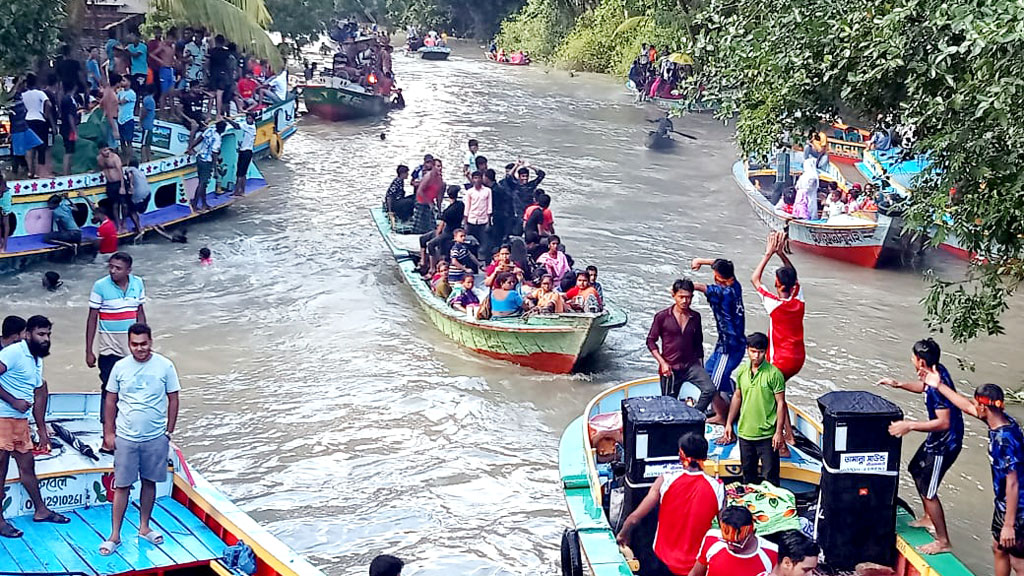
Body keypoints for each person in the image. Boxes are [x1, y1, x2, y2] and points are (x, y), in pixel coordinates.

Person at [927, 380, 1024, 575]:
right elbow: (966, 406)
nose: (974, 407)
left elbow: (1013, 483)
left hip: (1017, 508)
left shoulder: (1004, 440)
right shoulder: (1002, 421)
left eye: (976, 404)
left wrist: (1008, 525)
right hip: (1003, 504)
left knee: (1018, 559)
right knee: (998, 548)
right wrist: (939, 385)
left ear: (983, 407)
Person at [878, 338, 964, 554]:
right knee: (915, 468)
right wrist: (898, 384)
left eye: (913, 357)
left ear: (921, 361)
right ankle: (928, 518)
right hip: (937, 439)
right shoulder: (933, 372)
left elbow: (944, 422)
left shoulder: (938, 386)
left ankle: (943, 540)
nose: (911, 359)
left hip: (945, 443)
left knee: (929, 489)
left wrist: (910, 425)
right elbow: (922, 388)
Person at [99, 323, 179, 556]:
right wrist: (109, 433)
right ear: (129, 344)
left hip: (156, 437)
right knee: (122, 486)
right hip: (125, 437)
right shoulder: (120, 367)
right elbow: (110, 400)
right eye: (135, 344)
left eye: (144, 343)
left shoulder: (165, 366)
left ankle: (144, 528)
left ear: (151, 342)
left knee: (149, 482)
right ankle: (115, 536)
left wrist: (169, 431)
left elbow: (173, 399)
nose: (140, 348)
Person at [0, 315, 71, 538]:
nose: (46, 339)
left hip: (20, 422)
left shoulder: (37, 358)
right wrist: (13, 401)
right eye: (41, 334)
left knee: (27, 466)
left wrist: (42, 429)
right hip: (2, 419)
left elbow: (40, 390)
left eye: (48, 334)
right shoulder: (13, 352)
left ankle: (41, 510)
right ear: (27, 334)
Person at [617, 434, 724, 576]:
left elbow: (634, 518)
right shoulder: (718, 488)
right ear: (705, 457)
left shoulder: (666, 479)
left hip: (660, 562)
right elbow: (726, 530)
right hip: (696, 568)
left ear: (681, 454)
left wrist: (623, 535)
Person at [751, 232, 804, 455]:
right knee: (781, 394)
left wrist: (768, 253)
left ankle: (782, 442)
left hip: (780, 360)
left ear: (777, 283)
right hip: (798, 358)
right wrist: (782, 254)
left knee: (775, 401)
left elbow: (755, 279)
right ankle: (790, 436)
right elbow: (795, 275)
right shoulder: (799, 298)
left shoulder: (773, 303)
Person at [86, 252, 147, 421]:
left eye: (118, 268)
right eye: (111, 267)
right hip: (109, 350)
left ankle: (129, 423)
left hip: (132, 349)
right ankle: (107, 429)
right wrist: (89, 351)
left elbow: (140, 312)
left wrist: (146, 343)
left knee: (133, 388)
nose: (113, 271)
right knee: (109, 388)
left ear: (128, 270)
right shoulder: (100, 286)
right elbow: (92, 318)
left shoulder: (138, 283)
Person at [720, 332, 786, 486]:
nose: (757, 356)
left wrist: (778, 432)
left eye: (761, 352)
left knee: (771, 478)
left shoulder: (774, 374)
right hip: (745, 434)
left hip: (767, 436)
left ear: (765, 352)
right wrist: (729, 423)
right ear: (747, 350)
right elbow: (737, 396)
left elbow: (781, 404)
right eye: (753, 351)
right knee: (748, 477)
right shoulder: (742, 371)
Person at [691, 257, 746, 424]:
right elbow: (722, 262)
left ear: (724, 280)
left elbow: (702, 288)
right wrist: (701, 261)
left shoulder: (726, 293)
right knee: (707, 372)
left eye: (716, 278)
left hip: (730, 348)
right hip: (723, 344)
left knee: (711, 386)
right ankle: (732, 397)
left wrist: (686, 287)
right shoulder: (736, 285)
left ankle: (722, 417)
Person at [647, 279, 717, 410]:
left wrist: (701, 366)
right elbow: (651, 341)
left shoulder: (695, 317)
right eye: (681, 297)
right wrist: (662, 363)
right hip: (670, 368)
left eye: (688, 297)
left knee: (709, 389)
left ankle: (695, 414)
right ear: (673, 295)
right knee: (669, 403)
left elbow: (698, 343)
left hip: (691, 366)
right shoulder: (662, 317)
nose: (685, 301)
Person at [690, 506, 778, 576]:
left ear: (753, 533)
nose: (731, 546)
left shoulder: (773, 554)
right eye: (726, 541)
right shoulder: (712, 538)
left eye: (738, 543)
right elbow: (695, 573)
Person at [187, 119, 230, 212]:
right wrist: (215, 170)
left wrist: (190, 147)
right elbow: (214, 155)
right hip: (207, 161)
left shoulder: (210, 129)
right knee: (202, 183)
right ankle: (195, 204)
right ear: (222, 130)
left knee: (203, 183)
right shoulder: (218, 139)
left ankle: (204, 203)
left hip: (200, 157)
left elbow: (200, 138)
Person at [421, 186, 463, 273]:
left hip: (448, 232)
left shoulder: (448, 211)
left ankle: (431, 268)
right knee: (424, 238)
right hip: (453, 230)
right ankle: (424, 262)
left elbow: (441, 226)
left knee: (430, 244)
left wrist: (437, 235)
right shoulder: (461, 205)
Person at [23, 74, 54, 178]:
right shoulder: (40, 93)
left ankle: (30, 171)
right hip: (39, 120)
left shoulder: (24, 95)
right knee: (41, 147)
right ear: (36, 82)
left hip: (28, 120)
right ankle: (39, 172)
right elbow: (48, 104)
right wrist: (45, 114)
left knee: (30, 147)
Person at [97, 146, 131, 232]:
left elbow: (120, 172)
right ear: (100, 151)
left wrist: (122, 187)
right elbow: (101, 168)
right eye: (105, 150)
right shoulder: (99, 158)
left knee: (124, 205)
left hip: (119, 182)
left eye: (108, 150)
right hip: (110, 184)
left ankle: (124, 223)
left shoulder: (115, 157)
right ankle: (118, 224)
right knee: (114, 205)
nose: (107, 152)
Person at [463, 171, 493, 261]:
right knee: (470, 243)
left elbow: (489, 207)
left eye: (478, 178)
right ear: (472, 179)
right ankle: (473, 262)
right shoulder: (469, 192)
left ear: (481, 179)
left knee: (485, 244)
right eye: (475, 178)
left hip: (483, 221)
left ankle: (484, 262)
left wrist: (488, 222)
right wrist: (465, 223)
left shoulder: (488, 191)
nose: (477, 180)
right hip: (472, 220)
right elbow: (467, 208)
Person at [234, 112, 257, 197]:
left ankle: (237, 191)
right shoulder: (248, 125)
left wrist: (227, 119)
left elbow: (236, 125)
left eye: (250, 118)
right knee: (242, 173)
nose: (248, 120)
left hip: (246, 152)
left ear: (253, 119)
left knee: (240, 173)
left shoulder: (250, 127)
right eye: (247, 118)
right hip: (245, 151)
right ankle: (242, 190)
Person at [58, 89, 81, 175]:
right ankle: (66, 172)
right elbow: (70, 116)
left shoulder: (66, 99)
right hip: (69, 129)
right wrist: (74, 130)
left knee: (70, 150)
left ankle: (67, 171)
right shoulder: (69, 100)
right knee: (69, 151)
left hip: (66, 127)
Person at [116, 75, 137, 162]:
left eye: (124, 80)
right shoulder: (120, 93)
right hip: (120, 120)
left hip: (128, 120)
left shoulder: (131, 93)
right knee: (122, 142)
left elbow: (120, 102)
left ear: (129, 82)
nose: (121, 82)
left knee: (128, 142)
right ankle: (124, 159)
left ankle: (130, 160)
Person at [125, 31, 149, 96]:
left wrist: (127, 51)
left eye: (133, 36)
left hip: (141, 71)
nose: (131, 38)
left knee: (140, 90)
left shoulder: (143, 46)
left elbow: (136, 55)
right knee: (134, 90)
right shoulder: (130, 46)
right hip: (133, 71)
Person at [140, 85, 156, 163]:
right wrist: (141, 121)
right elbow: (144, 112)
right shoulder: (149, 100)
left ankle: (148, 159)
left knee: (148, 143)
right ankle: (143, 160)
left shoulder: (148, 99)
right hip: (147, 125)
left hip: (149, 125)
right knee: (144, 144)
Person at [0, 173, 10, 253]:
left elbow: (2, 190)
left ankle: (4, 246)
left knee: (5, 222)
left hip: (4, 196)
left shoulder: (2, 179)